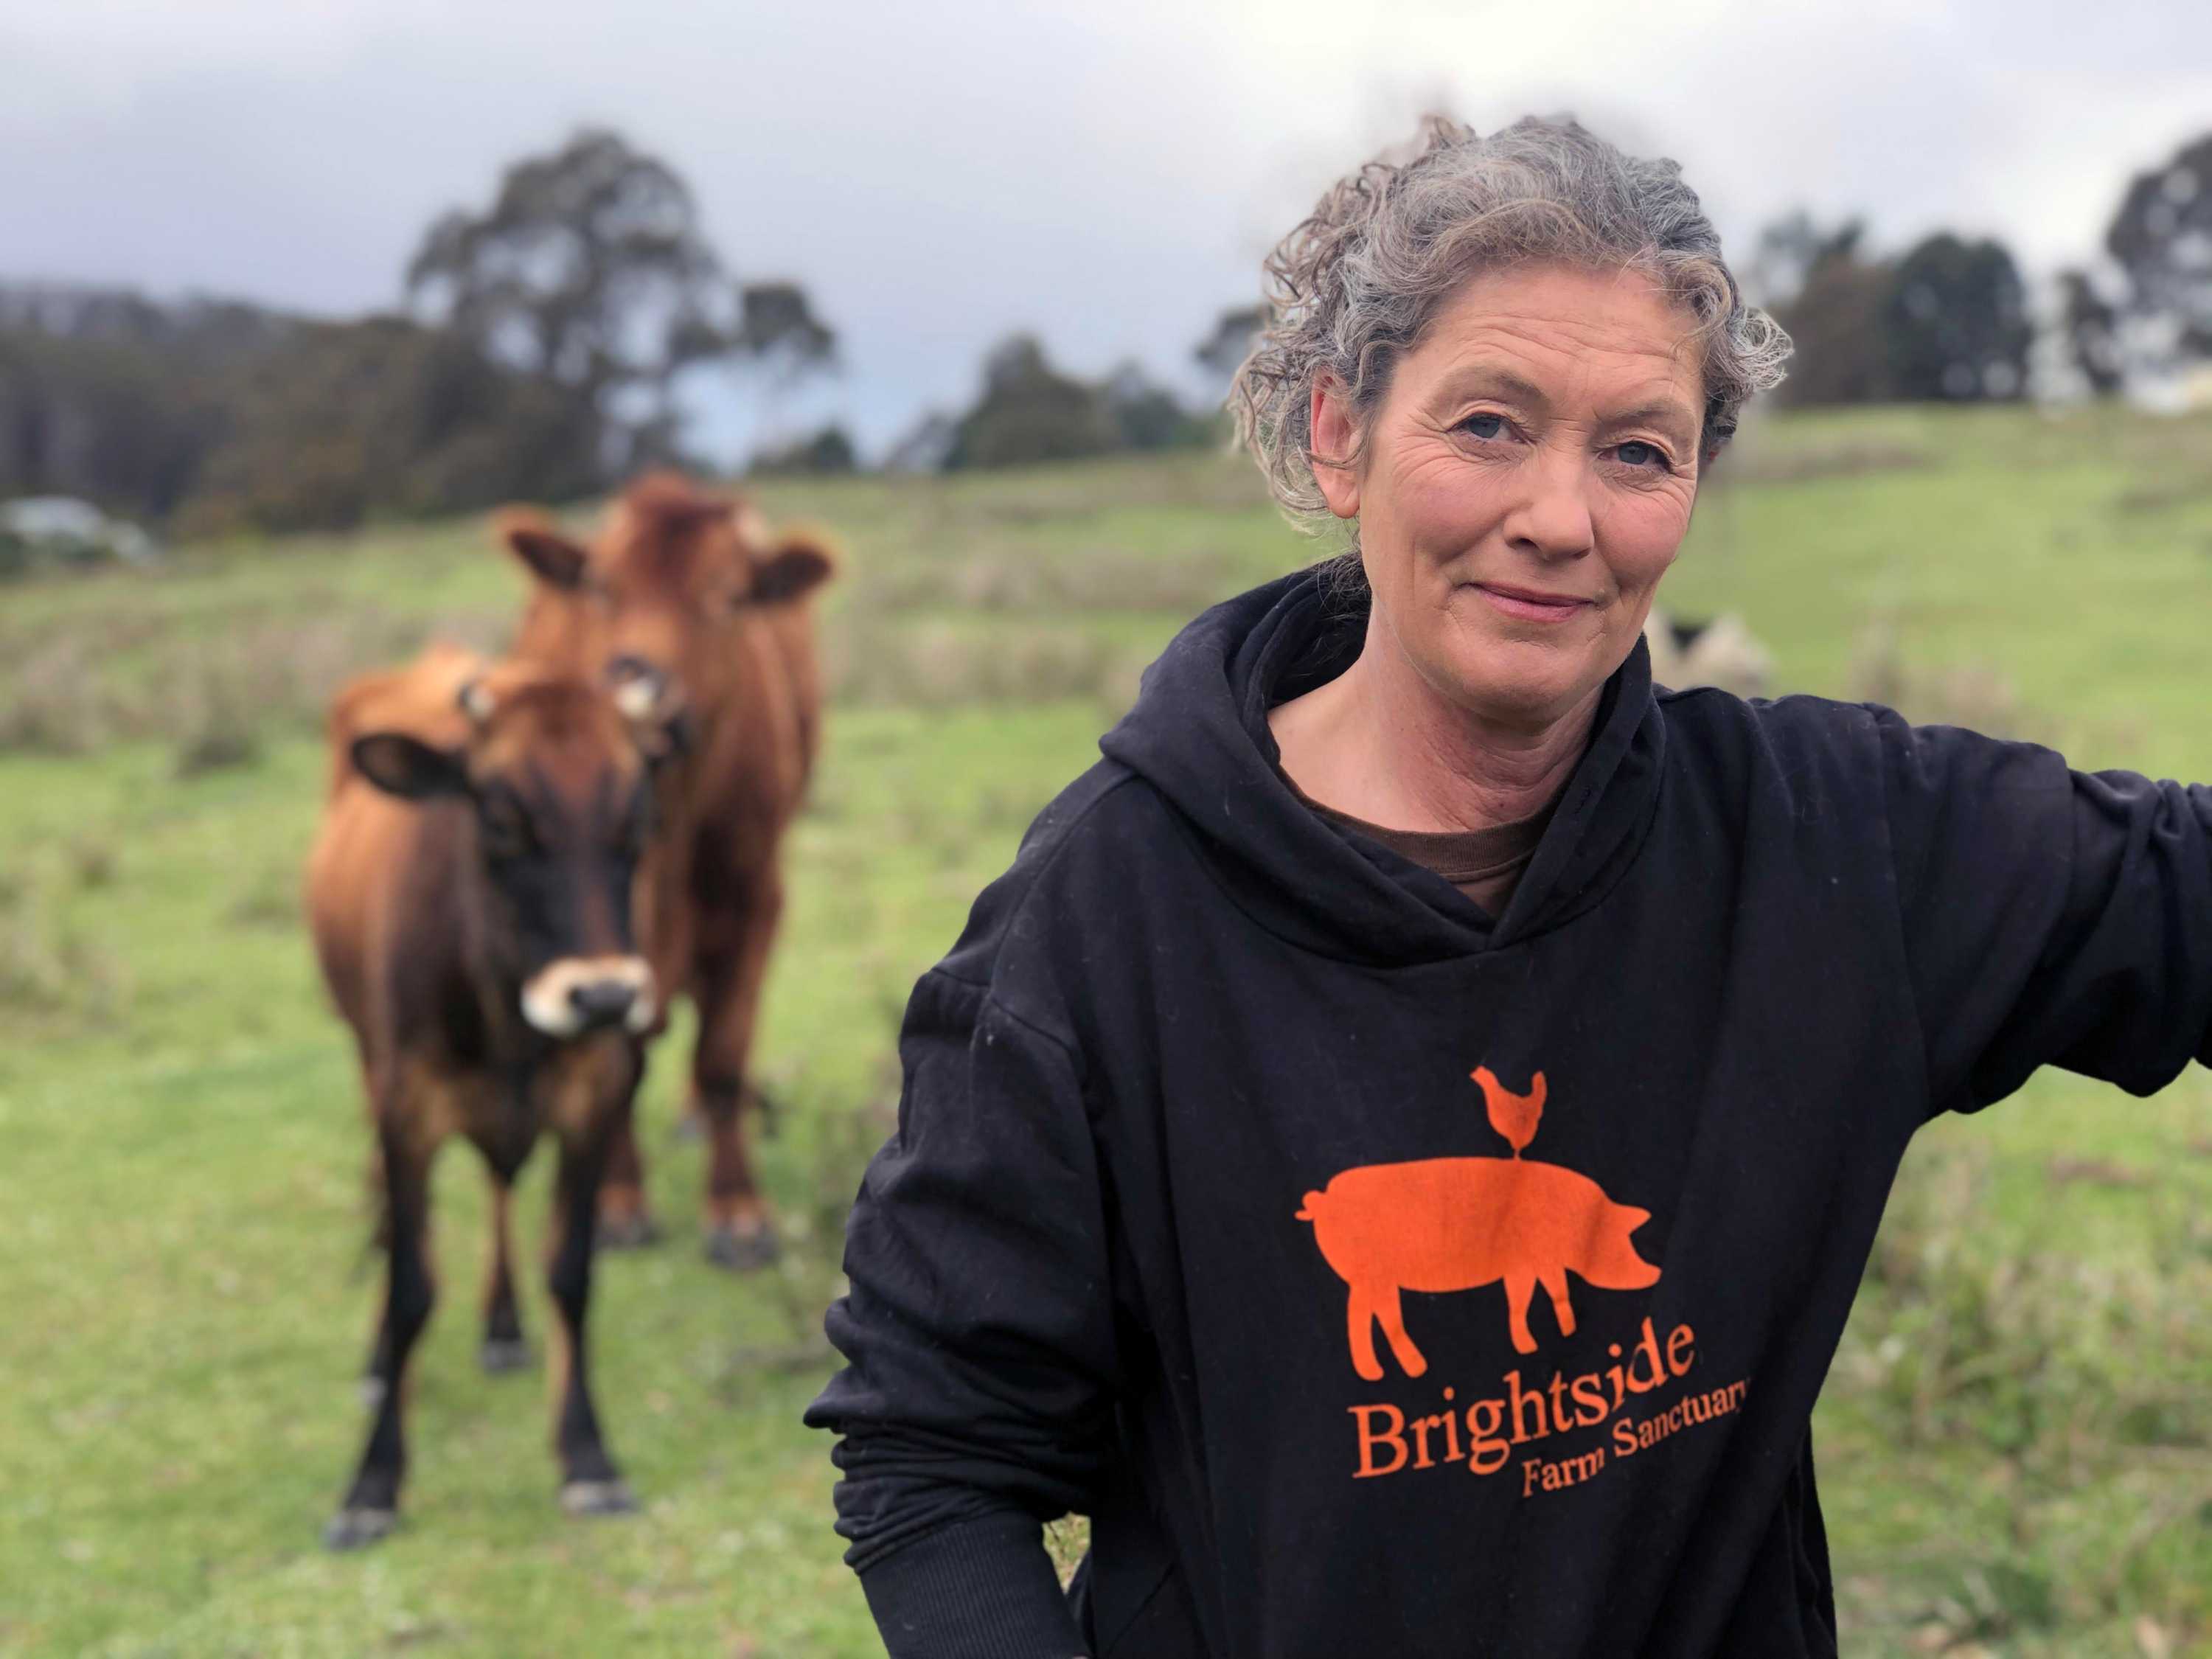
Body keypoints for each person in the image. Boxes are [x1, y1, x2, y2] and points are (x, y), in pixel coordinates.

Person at [804, 116, 2212, 1658]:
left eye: (1638, 450)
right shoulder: (1099, 929)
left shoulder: (1828, 845)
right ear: (1339, 435)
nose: (1560, 517)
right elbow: (933, 1459)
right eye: (1488, 424)